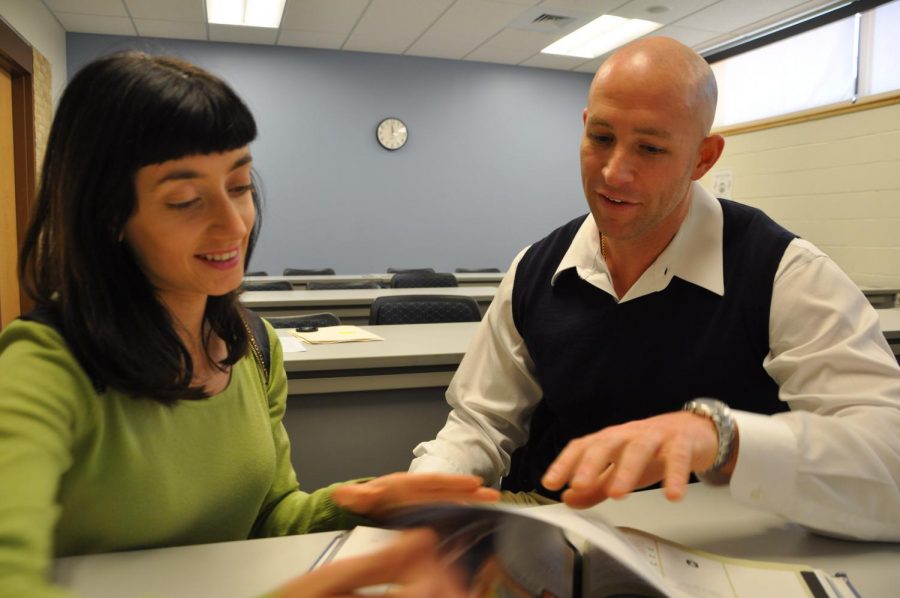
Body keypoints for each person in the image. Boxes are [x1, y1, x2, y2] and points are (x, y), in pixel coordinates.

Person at [0, 52, 497, 598]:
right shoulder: (43, 368)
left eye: (239, 186)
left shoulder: (253, 346)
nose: (233, 224)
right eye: (186, 200)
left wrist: (366, 501)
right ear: (107, 215)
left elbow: (269, 517)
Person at [410, 36, 900, 541]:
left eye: (650, 148)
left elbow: (890, 454)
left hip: (721, 543)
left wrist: (723, 439)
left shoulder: (783, 272)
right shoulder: (536, 269)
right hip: (559, 529)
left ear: (703, 159)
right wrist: (424, 495)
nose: (613, 171)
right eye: (601, 137)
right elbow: (480, 424)